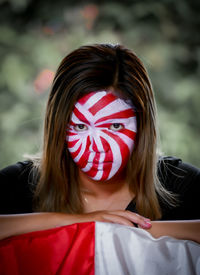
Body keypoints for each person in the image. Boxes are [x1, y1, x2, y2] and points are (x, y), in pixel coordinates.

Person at [0, 43, 200, 242]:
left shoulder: (183, 185)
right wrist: (78, 223)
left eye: (115, 126)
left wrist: (122, 231)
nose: (98, 147)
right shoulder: (17, 186)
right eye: (80, 127)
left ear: (142, 125)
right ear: (59, 128)